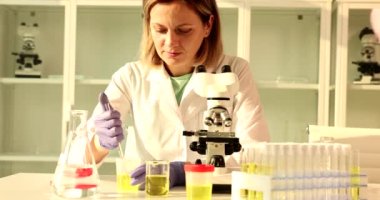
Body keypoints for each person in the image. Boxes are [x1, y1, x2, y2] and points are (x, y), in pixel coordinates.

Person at [87, 0, 270, 189]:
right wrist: (100, 143)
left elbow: (256, 153)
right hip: (152, 193)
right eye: (159, 30)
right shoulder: (130, 77)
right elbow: (75, 161)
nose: (170, 42)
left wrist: (186, 171)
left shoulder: (234, 72)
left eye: (183, 30)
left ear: (208, 25)